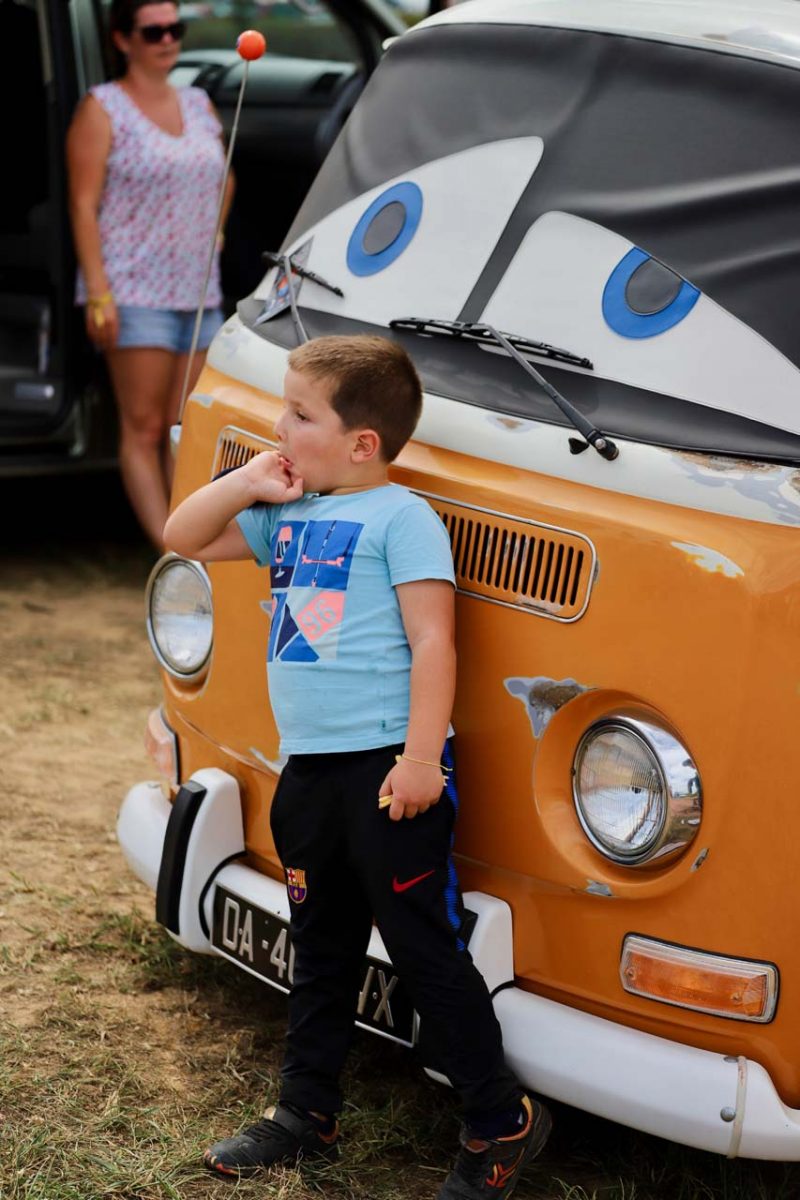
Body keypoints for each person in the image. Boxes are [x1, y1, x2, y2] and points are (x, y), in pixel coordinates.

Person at [163, 334, 552, 1199]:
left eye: (298, 415)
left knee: (421, 950)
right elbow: (181, 532)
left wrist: (421, 760)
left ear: (361, 443)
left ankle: (500, 1119)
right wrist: (248, 480)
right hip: (310, 771)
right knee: (322, 944)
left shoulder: (401, 519)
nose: (279, 425)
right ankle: (307, 1111)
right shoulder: (284, 512)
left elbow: (434, 641)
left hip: (387, 771)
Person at [66, 0, 234, 550]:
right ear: (122, 40)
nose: (168, 39)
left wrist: (217, 230)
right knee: (141, 429)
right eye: (153, 30)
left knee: (185, 432)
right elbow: (83, 206)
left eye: (175, 28)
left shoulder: (198, 100)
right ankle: (174, 555)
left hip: (198, 293)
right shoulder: (102, 107)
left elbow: (224, 177)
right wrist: (99, 294)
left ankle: (190, 541)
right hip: (133, 293)